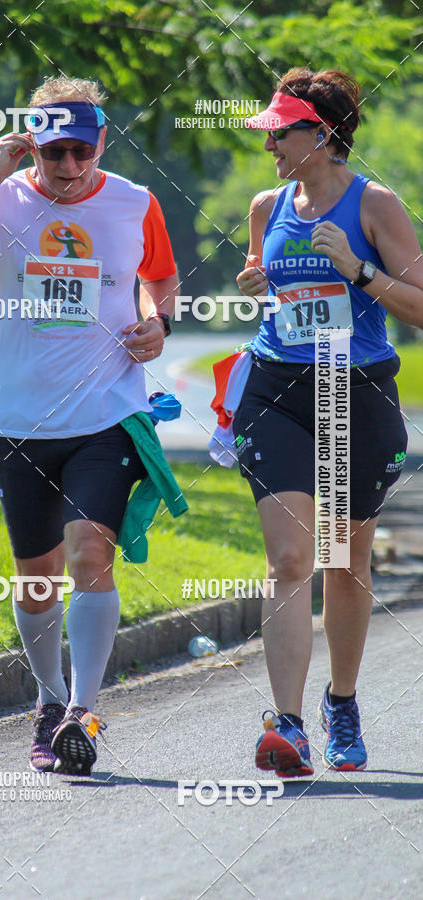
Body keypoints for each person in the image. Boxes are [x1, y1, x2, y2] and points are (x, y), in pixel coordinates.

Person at [0, 77, 177, 775]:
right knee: (37, 582)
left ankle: (82, 713)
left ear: (100, 144)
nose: (69, 167)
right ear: (32, 144)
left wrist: (158, 320)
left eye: (81, 153)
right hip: (22, 421)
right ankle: (49, 699)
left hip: (107, 414)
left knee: (91, 554)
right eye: (55, 152)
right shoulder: (0, 199)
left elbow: (162, 276)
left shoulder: (133, 202)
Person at [234, 68, 423, 777]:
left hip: (357, 394)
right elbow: (267, 279)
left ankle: (340, 702)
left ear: (321, 133)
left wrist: (360, 271)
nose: (270, 147)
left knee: (345, 562)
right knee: (288, 558)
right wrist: (256, 283)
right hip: (278, 389)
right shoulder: (265, 205)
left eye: (279, 133)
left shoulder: (376, 206)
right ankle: (287, 726)